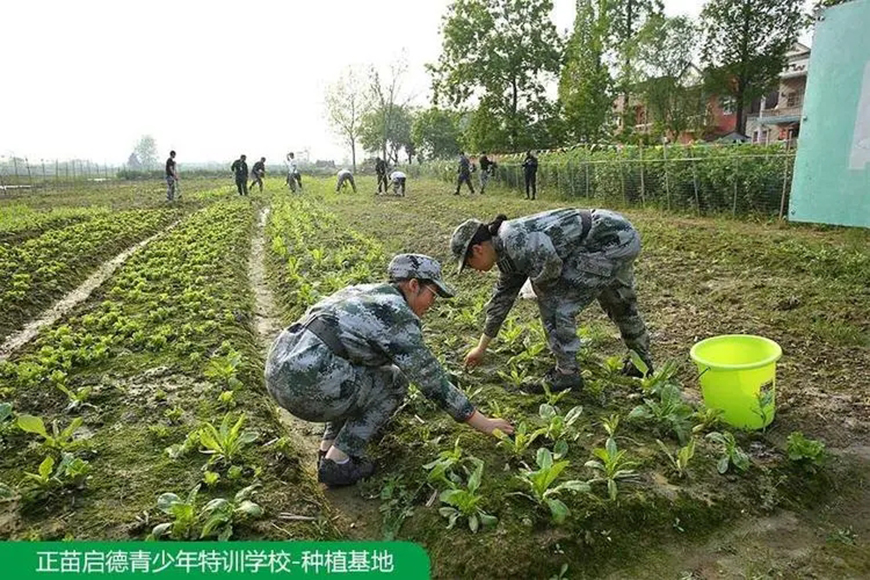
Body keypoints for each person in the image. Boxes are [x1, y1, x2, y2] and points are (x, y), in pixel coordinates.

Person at [265, 254, 514, 487]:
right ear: (414, 285)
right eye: (433, 294)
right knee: (394, 382)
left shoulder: (364, 291)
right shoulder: (395, 313)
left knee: (359, 374)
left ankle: (327, 450)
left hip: (279, 367)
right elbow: (430, 380)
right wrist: (484, 423)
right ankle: (339, 461)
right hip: (306, 386)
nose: (433, 303)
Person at [450, 209, 653, 393]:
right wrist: (481, 348)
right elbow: (501, 300)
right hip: (617, 234)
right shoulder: (504, 249)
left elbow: (551, 269)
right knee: (618, 302)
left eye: (469, 264)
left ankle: (567, 374)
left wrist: (538, 287)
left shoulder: (514, 240)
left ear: (477, 250)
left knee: (556, 306)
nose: (474, 270)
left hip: (607, 239)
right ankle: (641, 361)